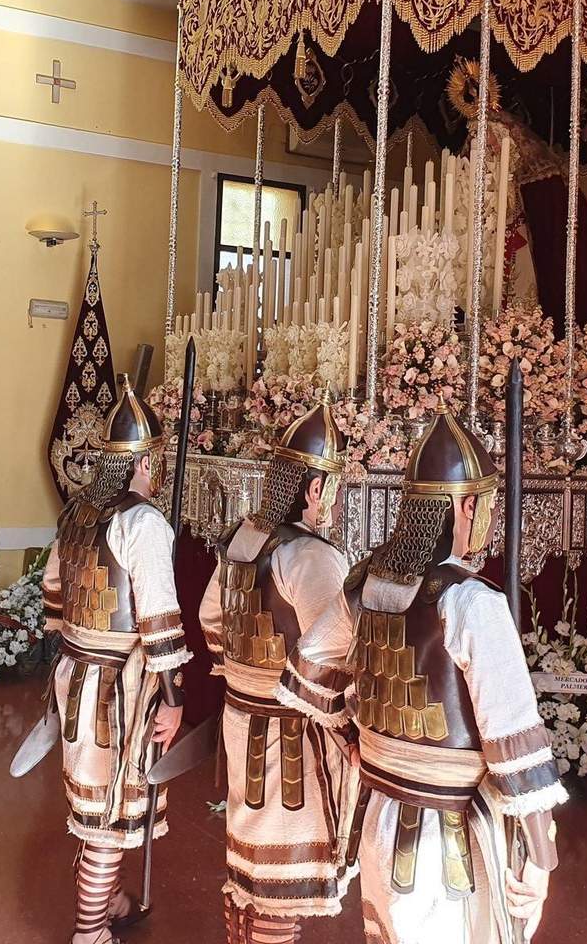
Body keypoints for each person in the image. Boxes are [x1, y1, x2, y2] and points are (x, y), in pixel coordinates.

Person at [283, 413, 566, 942]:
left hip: (379, 817)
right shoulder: (473, 603)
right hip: (446, 843)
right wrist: (541, 856)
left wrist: (354, 742)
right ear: (466, 507)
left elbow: (308, 673)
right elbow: (514, 743)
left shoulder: (365, 587)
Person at [198, 398, 356, 942]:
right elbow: (330, 654)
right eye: (331, 485)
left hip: (241, 717)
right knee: (280, 878)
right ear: (314, 489)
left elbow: (210, 616)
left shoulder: (246, 536)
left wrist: (240, 676)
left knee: (250, 862)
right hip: (291, 734)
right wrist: (352, 727)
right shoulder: (313, 557)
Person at [39, 377, 189, 944]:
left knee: (100, 803)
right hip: (120, 688)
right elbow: (160, 623)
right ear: (145, 462)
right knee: (109, 815)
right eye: (154, 463)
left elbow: (54, 595)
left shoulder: (78, 511)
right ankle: (89, 932)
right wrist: (174, 701)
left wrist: (62, 656)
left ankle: (113, 900)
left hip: (76, 673)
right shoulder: (144, 523)